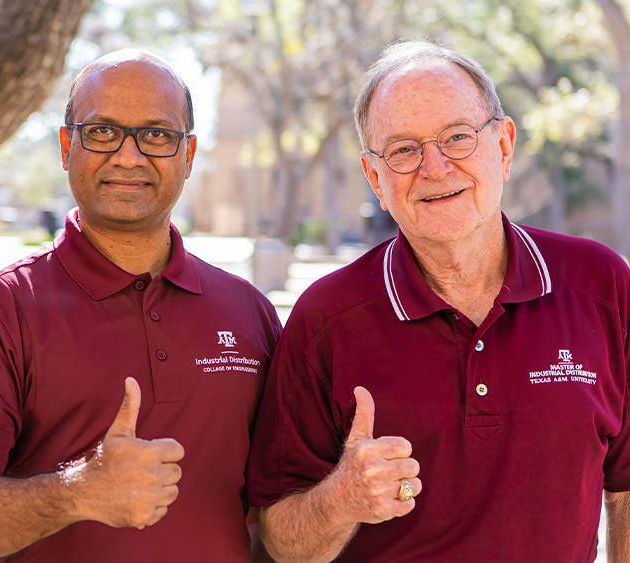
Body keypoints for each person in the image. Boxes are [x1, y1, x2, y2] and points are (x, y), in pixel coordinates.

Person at [246, 39, 630, 562]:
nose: (434, 167)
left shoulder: (602, 285)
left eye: (457, 137)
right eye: (404, 149)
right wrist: (340, 501)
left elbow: (626, 487)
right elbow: (278, 539)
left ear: (504, 145)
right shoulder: (325, 320)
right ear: (374, 178)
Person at [0, 50, 281, 561]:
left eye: (156, 135)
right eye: (102, 132)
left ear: (189, 155)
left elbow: (276, 507)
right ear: (67, 146)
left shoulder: (251, 314)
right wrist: (78, 491)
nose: (128, 157)